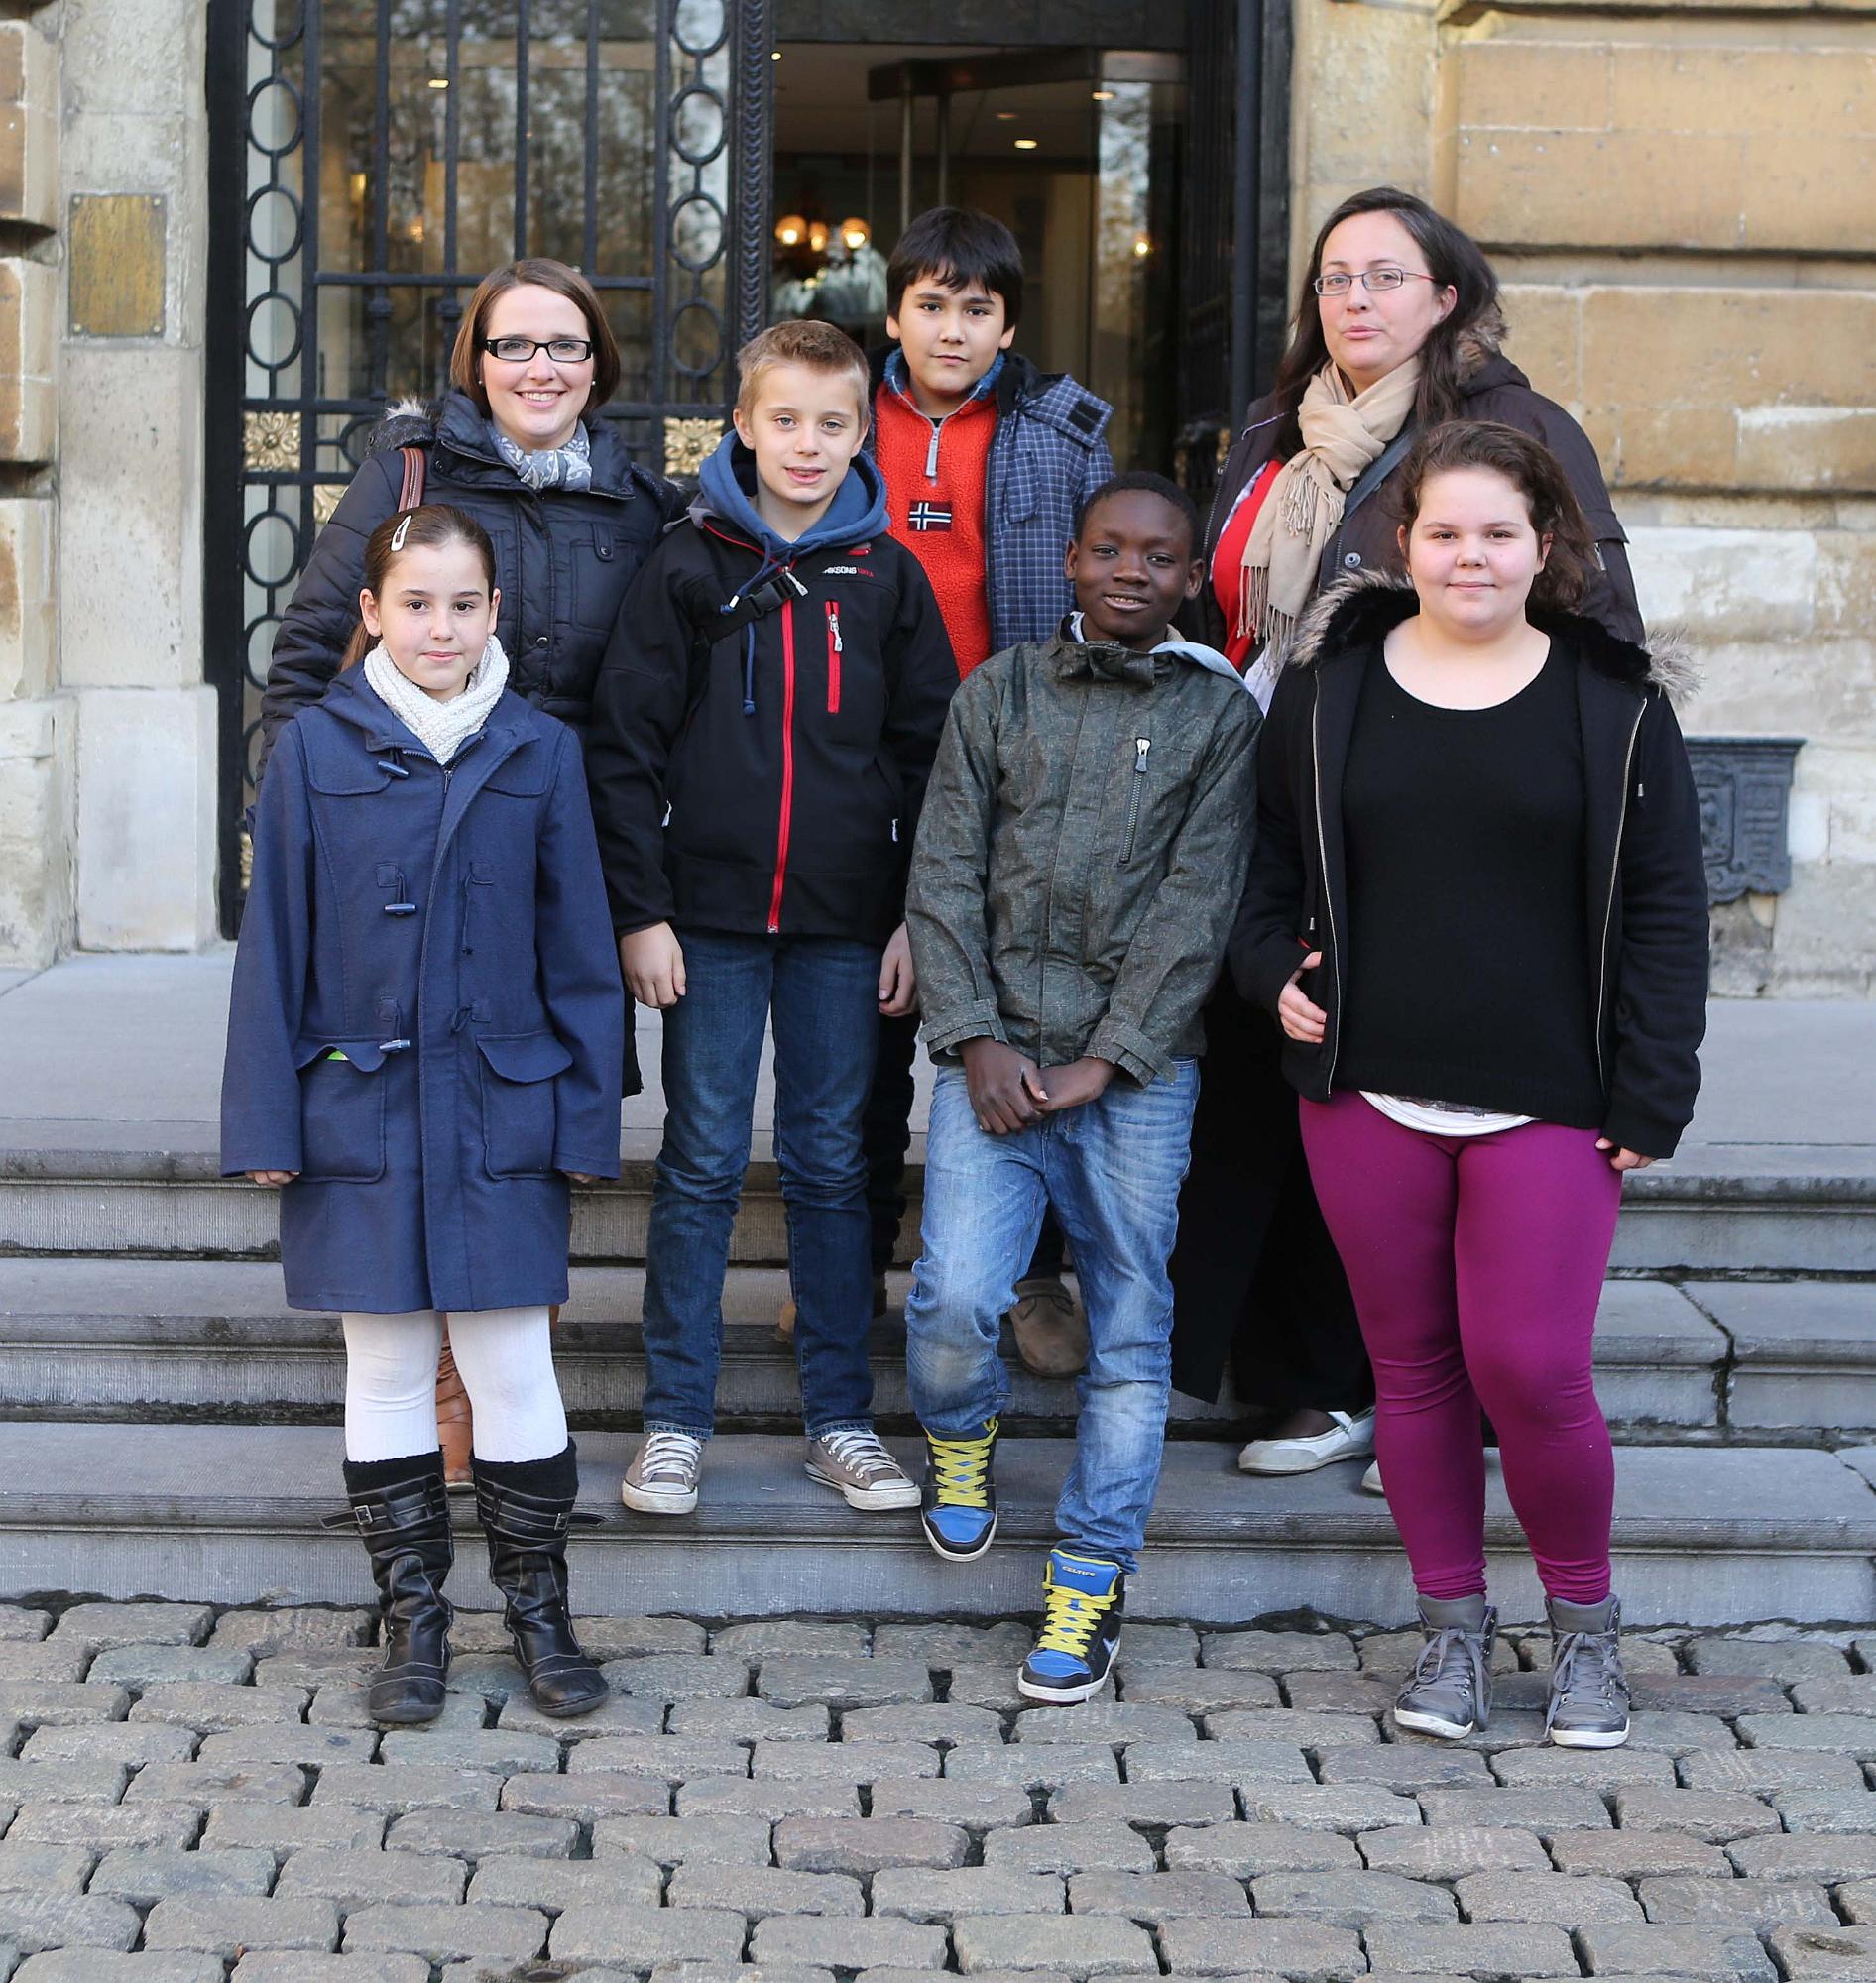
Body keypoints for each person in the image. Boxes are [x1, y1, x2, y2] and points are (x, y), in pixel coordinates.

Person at [1235, 420, 1706, 1747]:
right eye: (1444, 532)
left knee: (1534, 1366)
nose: (1471, 556)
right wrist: (1272, 967)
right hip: (1367, 1086)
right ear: (1403, 543)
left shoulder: (1609, 702)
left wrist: (1652, 1091)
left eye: (1500, 532)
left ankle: (1587, 1636)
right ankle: (1449, 1633)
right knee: (1415, 1371)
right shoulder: (1332, 690)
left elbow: (1671, 907)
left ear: (1546, 546)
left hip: (1555, 1094)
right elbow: (1264, 866)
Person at [1173, 184, 1644, 1487]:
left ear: (1448, 297)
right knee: (1295, 1108)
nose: (1356, 301)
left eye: (1387, 276)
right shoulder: (1277, 435)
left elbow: (1599, 628)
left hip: (1445, 826)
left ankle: (1451, 1406)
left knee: (1443, 1118)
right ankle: (1317, 1384)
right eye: (1336, 278)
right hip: (1279, 807)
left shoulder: (1514, 428)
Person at [258, 257, 674, 1487]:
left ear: (597, 364)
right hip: (392, 867)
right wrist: (326, 833)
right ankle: (428, 1504)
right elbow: (302, 671)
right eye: (512, 345)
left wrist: (639, 899)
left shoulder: (635, 505)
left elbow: (647, 715)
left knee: (509, 1159)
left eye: (563, 346)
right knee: (403, 1225)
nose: (537, 368)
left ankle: (499, 1476)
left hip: (552, 872)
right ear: (474, 362)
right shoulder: (408, 474)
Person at [222, 504, 623, 1726]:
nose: (439, 626)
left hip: (500, 1100)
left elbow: (580, 950)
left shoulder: (540, 749)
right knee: (388, 1362)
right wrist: (265, 1124)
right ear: (372, 613)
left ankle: (540, 1614)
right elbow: (273, 944)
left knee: (511, 1358)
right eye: (415, 603)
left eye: (463, 604)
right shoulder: (311, 746)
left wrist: (585, 1117)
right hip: (359, 1098)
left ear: (494, 613)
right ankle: (413, 1616)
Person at [585, 319, 956, 1519]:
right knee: (697, 1163)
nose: (807, 443)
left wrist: (917, 919)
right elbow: (624, 750)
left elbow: (932, 767)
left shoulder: (887, 577)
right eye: (783, 419)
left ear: (863, 433)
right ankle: (675, 1419)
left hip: (850, 927)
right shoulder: (686, 563)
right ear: (740, 425)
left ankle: (839, 1418)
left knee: (832, 1165)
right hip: (710, 922)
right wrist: (640, 911)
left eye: (832, 423)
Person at [903, 474, 1258, 1702]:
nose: (1129, 570)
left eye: (1157, 558)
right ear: (1068, 560)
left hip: (1134, 1076)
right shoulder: (996, 691)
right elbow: (943, 871)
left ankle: (1091, 1574)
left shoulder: (1216, 717)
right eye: (1107, 548)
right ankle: (959, 1437)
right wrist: (973, 1039)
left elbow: (1195, 902)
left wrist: (1106, 1058)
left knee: (1127, 1325)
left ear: (1186, 579)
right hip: (993, 1060)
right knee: (954, 1292)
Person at [821, 206, 1116, 1381]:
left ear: (1007, 323)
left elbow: (1101, 592)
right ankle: (849, 1264)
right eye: (931, 304)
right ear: (893, 312)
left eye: (977, 308)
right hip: (857, 756)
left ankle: (1031, 1271)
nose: (952, 328)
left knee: (1022, 1006)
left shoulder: (1055, 431)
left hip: (1012, 763)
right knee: (862, 1016)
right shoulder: (836, 411)